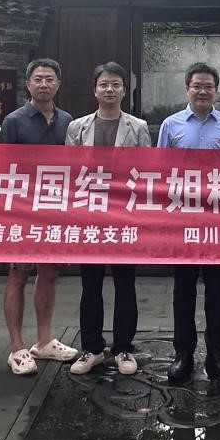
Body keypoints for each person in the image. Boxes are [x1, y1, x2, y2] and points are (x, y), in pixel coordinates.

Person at [158, 61, 220, 384]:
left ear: (216, 91)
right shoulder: (170, 125)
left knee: (217, 292)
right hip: (182, 221)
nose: (203, 91)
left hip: (217, 222)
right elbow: (160, 172)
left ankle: (216, 355)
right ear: (187, 89)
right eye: (197, 86)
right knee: (183, 290)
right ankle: (183, 354)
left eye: (208, 86)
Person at [65, 62, 152, 377]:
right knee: (90, 283)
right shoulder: (77, 127)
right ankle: (91, 348)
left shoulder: (138, 127)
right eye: (104, 84)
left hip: (124, 216)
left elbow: (147, 172)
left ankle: (123, 347)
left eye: (116, 84)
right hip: (89, 216)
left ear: (124, 90)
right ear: (95, 90)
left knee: (125, 282)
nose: (110, 89)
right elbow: (69, 171)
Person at [0, 59, 78, 375]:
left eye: (49, 79)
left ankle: (44, 340)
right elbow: (1, 168)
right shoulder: (14, 121)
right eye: (38, 78)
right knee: (17, 275)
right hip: (21, 211)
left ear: (58, 84)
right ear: (28, 84)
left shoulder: (68, 122)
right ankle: (17, 347)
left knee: (49, 273)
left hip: (54, 209)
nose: (44, 84)